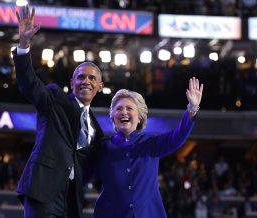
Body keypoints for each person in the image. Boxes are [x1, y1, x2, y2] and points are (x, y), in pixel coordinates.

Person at [14, 4, 104, 218]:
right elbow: (29, 83)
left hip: (72, 200)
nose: (86, 81)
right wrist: (24, 43)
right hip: (43, 191)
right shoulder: (55, 99)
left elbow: (90, 166)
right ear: (72, 83)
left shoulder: (96, 129)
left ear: (100, 86)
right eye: (81, 77)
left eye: (92, 78)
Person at [94, 78, 203, 218]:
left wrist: (192, 109)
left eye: (129, 108)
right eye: (119, 108)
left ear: (139, 117)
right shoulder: (103, 147)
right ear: (112, 116)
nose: (123, 112)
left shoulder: (150, 144)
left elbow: (177, 137)